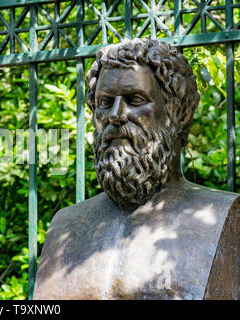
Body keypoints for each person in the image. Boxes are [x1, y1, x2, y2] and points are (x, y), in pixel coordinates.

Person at [34, 38, 239, 300]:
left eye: (135, 99)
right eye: (105, 103)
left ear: (178, 114)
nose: (116, 115)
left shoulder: (224, 216)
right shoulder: (65, 226)